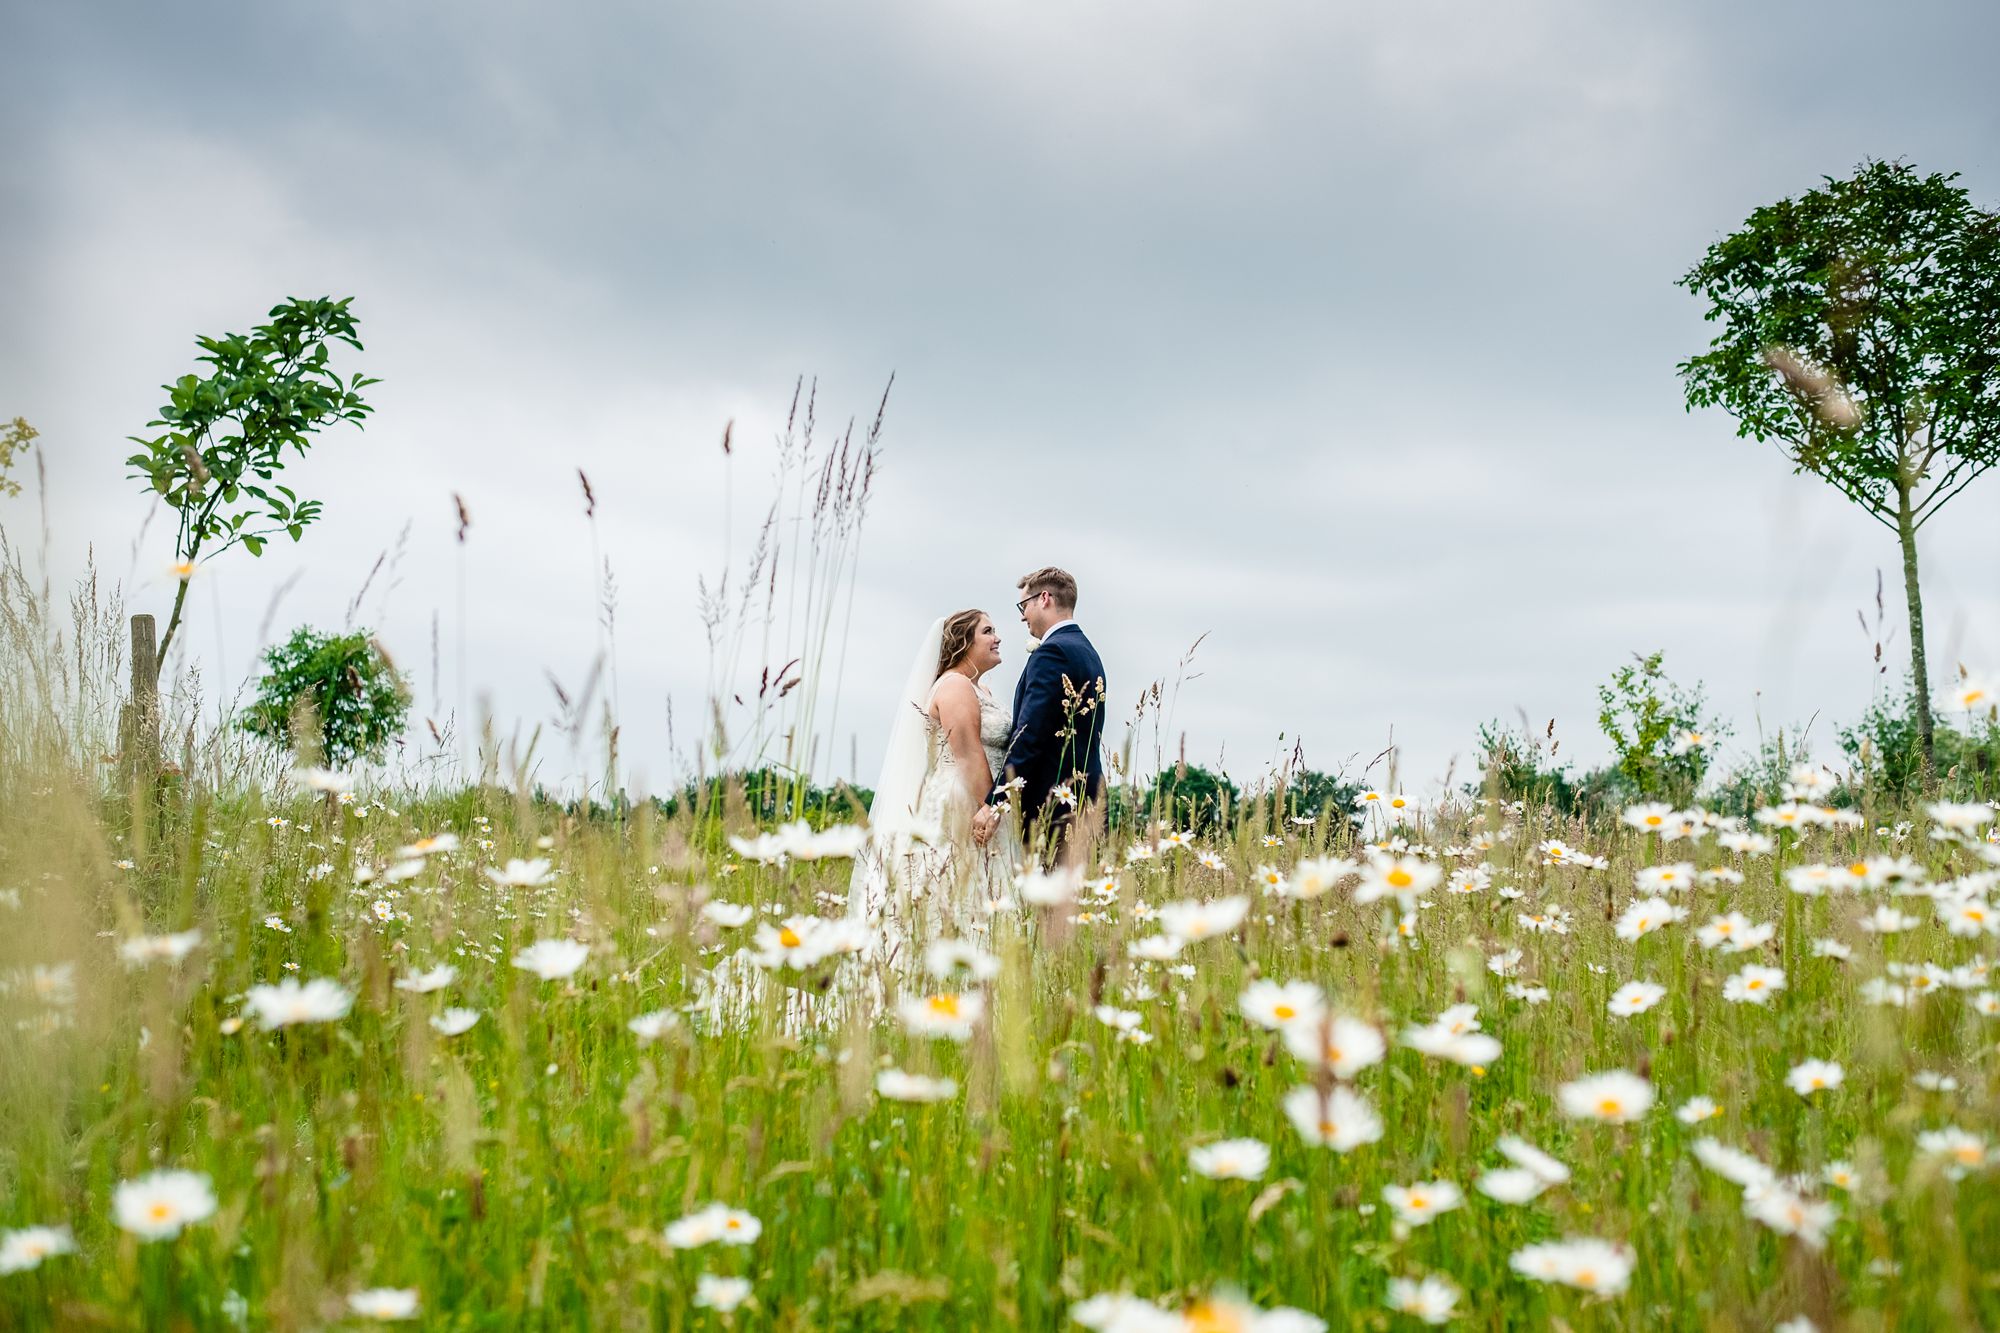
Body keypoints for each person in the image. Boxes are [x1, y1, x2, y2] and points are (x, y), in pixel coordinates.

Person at [851, 609, 1019, 946]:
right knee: (957, 889)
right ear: (963, 642)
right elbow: (969, 755)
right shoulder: (955, 685)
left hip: (980, 799)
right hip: (963, 800)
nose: (997, 638)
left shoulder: (979, 688)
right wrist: (993, 807)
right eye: (987, 631)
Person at [974, 566, 1107, 864]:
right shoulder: (1087, 650)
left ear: (1044, 598)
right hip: (1087, 802)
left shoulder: (1053, 652)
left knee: (1051, 907)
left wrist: (996, 803)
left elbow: (1030, 736)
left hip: (1055, 810)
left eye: (1024, 605)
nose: (1022, 615)